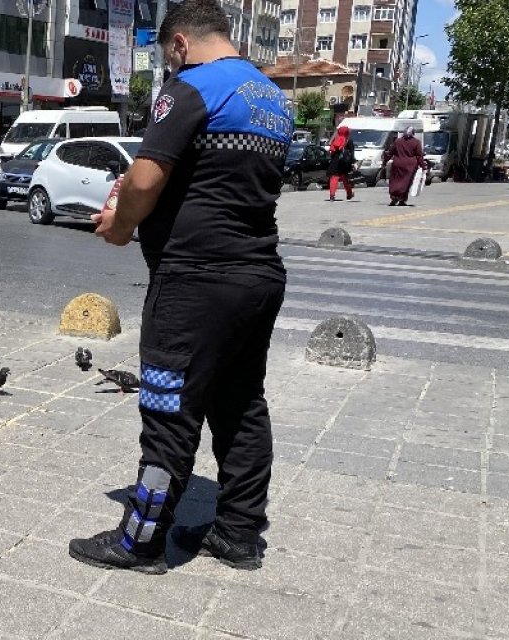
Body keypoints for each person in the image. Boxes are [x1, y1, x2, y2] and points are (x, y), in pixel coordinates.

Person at [71, 0, 290, 574]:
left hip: (194, 280)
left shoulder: (190, 88)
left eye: (170, 57)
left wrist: (120, 227)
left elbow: (146, 175)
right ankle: (239, 535)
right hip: (257, 274)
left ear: (179, 45)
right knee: (241, 404)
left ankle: (140, 541)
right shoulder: (271, 97)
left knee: (168, 408)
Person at [381, 126, 428, 206]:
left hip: (397, 164)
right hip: (410, 166)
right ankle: (402, 199)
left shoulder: (398, 141)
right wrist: (423, 166)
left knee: (395, 181)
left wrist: (385, 162)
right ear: (413, 133)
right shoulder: (416, 142)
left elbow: (390, 153)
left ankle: (394, 197)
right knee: (406, 182)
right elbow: (419, 156)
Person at [326, 125, 355, 202]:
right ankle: (349, 193)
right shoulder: (349, 140)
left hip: (335, 161)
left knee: (334, 178)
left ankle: (332, 195)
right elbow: (351, 153)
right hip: (344, 162)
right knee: (345, 179)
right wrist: (352, 162)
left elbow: (332, 151)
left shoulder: (336, 139)